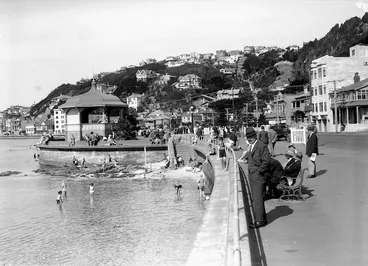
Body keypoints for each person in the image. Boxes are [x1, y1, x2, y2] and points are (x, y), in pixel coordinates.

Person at [243, 127, 270, 228]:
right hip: (252, 174)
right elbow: (252, 157)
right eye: (248, 137)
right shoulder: (252, 145)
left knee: (257, 198)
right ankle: (262, 217)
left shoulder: (261, 146)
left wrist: (259, 172)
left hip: (257, 176)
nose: (249, 138)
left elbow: (266, 161)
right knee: (256, 198)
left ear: (255, 136)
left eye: (251, 136)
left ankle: (259, 221)